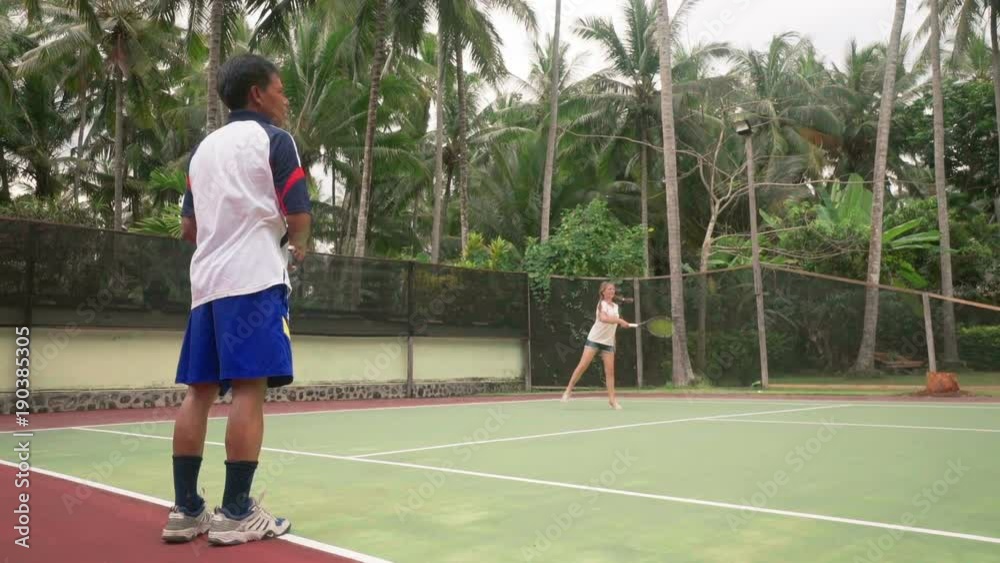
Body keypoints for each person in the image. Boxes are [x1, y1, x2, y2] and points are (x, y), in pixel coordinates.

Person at [161, 54, 311, 546]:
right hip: (255, 282)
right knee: (249, 389)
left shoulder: (202, 152)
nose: (285, 99)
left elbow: (188, 228)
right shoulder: (275, 140)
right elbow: (298, 212)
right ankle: (237, 512)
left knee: (199, 392)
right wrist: (299, 245)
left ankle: (185, 510)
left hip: (206, 287)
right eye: (281, 90)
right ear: (257, 94)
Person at [561, 281, 633, 410]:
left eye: (613, 289)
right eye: (609, 289)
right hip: (594, 339)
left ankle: (612, 400)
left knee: (610, 372)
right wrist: (620, 320)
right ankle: (568, 390)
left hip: (608, 343)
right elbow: (604, 319)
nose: (611, 291)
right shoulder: (601, 304)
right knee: (583, 366)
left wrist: (615, 338)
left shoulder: (615, 307)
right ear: (603, 292)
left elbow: (613, 326)